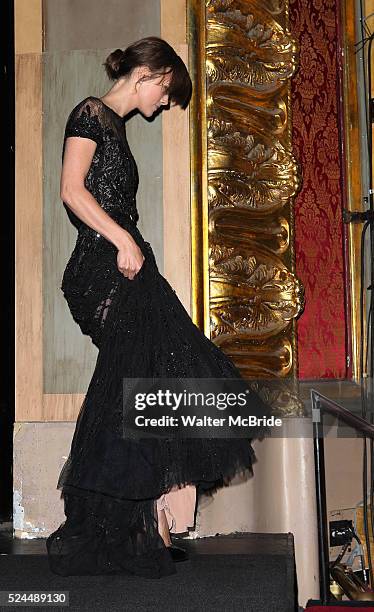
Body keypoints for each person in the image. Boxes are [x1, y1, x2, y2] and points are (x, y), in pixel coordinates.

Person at [46, 36, 271, 579]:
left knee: (152, 383)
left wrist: (129, 244)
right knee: (156, 377)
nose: (168, 105)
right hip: (103, 269)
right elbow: (71, 191)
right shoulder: (90, 114)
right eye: (171, 92)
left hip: (128, 266)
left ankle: (145, 520)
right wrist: (122, 239)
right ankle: (131, 520)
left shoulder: (115, 128)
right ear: (154, 73)